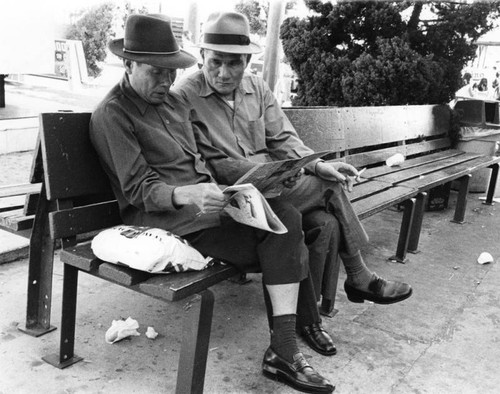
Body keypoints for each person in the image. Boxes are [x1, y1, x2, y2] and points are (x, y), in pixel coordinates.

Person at [89, 14, 334, 393]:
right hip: (170, 223)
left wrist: (254, 180)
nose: (166, 81)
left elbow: (208, 159)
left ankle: (285, 347)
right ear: (129, 63)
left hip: (214, 208)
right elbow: (139, 189)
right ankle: (285, 349)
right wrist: (187, 194)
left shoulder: (172, 103)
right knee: (288, 236)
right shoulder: (113, 114)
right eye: (156, 72)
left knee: (286, 217)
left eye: (171, 72)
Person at [173, 11, 413, 309]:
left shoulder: (257, 88)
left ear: (246, 62)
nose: (224, 73)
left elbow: (283, 138)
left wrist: (315, 165)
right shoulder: (184, 96)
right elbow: (210, 162)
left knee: (325, 219)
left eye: (234, 63)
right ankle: (358, 276)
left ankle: (305, 314)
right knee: (330, 189)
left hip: (276, 187)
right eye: (215, 62)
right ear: (202, 57)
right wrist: (269, 172)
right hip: (231, 199)